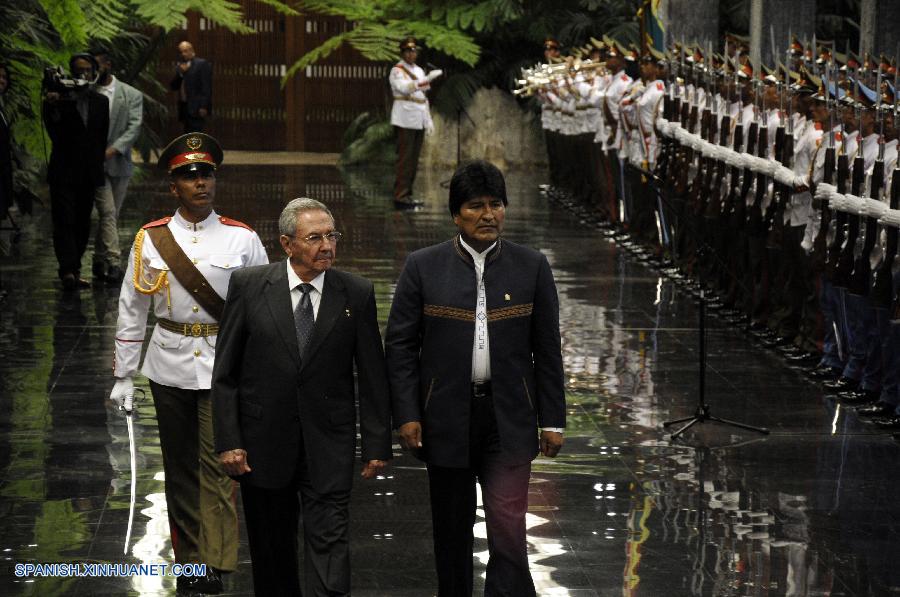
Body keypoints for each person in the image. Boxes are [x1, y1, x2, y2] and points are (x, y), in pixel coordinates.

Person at [384, 160, 567, 596]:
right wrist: (407, 413)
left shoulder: (531, 266)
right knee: (451, 529)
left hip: (508, 417)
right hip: (445, 417)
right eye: (476, 206)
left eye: (496, 204)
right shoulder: (423, 267)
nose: (489, 215)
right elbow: (401, 346)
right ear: (455, 214)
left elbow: (547, 348)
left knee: (508, 528)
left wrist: (553, 419)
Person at [109, 133, 268, 595]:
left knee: (221, 465)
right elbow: (132, 308)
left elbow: (263, 307)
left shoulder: (242, 238)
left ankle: (214, 565)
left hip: (225, 366)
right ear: (173, 186)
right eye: (189, 176)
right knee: (180, 471)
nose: (201, 182)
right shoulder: (152, 238)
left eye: (206, 174)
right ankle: (190, 563)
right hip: (169, 364)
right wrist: (123, 374)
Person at [211, 198, 393, 595]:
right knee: (271, 549)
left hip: (328, 442)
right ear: (287, 244)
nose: (326, 245)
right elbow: (225, 373)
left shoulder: (355, 293)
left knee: (330, 542)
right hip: (263, 443)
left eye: (331, 235)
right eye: (314, 237)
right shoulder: (249, 286)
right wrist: (229, 441)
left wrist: (377, 443)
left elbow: (373, 375)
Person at [43, 53, 109, 290]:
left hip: (88, 172)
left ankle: (75, 266)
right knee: (63, 220)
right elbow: (52, 129)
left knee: (83, 221)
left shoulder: (101, 102)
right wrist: (53, 105)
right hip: (63, 170)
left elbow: (101, 138)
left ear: (94, 73)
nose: (83, 75)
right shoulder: (58, 99)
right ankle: (67, 271)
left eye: (87, 70)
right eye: (78, 70)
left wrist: (98, 168)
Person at [90, 47, 143, 284]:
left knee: (112, 213)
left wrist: (113, 150)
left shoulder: (130, 94)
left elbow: (134, 126)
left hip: (118, 162)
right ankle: (113, 261)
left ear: (108, 65)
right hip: (94, 164)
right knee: (107, 211)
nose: (93, 70)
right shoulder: (87, 92)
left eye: (97, 65)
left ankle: (98, 259)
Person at [389, 37, 441, 208]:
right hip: (404, 118)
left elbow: (422, 97)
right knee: (405, 159)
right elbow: (405, 88)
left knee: (413, 160)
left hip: (418, 118)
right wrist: (427, 80)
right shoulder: (397, 71)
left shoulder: (418, 70)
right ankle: (400, 196)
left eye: (414, 51)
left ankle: (408, 194)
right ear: (403, 53)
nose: (412, 54)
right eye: (408, 51)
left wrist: (428, 120)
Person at [170, 41, 212, 133]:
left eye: (185, 51)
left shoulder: (201, 64)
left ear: (191, 50)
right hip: (184, 105)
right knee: (186, 133)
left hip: (197, 106)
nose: (183, 54)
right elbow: (173, 86)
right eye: (181, 52)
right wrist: (181, 73)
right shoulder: (180, 66)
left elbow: (206, 86)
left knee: (196, 133)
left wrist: (204, 106)